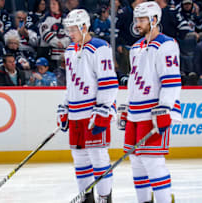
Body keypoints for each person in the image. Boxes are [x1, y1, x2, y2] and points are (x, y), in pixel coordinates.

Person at [118, 2, 180, 203]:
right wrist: (126, 106)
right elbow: (134, 81)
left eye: (142, 19)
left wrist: (165, 108)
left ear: (154, 20)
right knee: (136, 161)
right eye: (136, 19)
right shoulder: (136, 47)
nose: (137, 23)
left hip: (153, 112)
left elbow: (171, 81)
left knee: (153, 161)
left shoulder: (166, 45)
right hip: (135, 112)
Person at [57, 9, 118, 203]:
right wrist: (64, 107)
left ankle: (104, 198)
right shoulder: (69, 51)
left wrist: (103, 109)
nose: (70, 34)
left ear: (84, 27)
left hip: (93, 113)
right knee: (80, 159)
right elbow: (71, 84)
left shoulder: (100, 48)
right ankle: (86, 198)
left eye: (73, 29)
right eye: (68, 29)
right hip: (75, 113)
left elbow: (109, 82)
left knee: (99, 157)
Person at [38, 0, 70, 69]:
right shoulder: (45, 18)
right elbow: (44, 33)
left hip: (63, 54)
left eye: (54, 4)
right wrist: (56, 42)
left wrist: (63, 43)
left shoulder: (66, 18)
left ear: (59, 5)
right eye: (50, 4)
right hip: (48, 53)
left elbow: (70, 33)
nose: (52, 6)